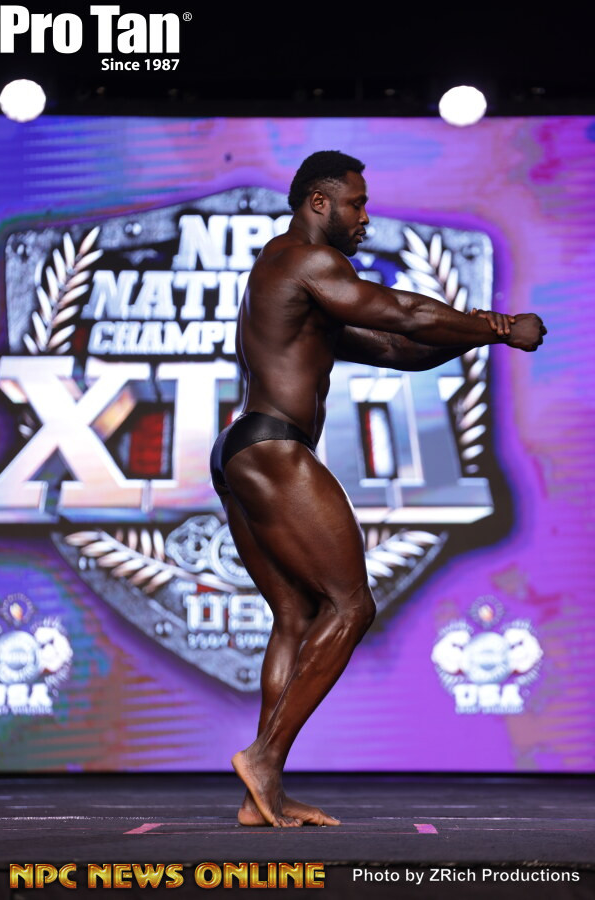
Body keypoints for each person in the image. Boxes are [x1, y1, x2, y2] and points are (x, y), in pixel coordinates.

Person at [210, 150, 546, 827]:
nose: (365, 216)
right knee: (351, 606)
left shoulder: (295, 280)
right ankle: (265, 758)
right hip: (274, 446)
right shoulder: (305, 259)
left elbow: (397, 349)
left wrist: (480, 336)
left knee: (297, 615)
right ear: (318, 203)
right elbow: (404, 314)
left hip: (244, 449)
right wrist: (504, 326)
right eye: (355, 203)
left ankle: (260, 791)